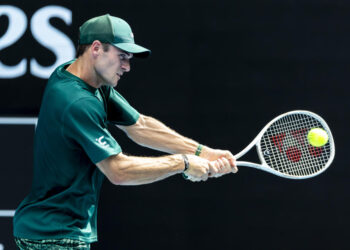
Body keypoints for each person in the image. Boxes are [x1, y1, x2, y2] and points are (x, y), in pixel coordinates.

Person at [13, 14, 238, 249]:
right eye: (122, 56)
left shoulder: (80, 77)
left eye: (129, 59)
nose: (127, 66)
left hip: (49, 230)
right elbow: (118, 171)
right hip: (55, 236)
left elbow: (140, 126)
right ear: (97, 48)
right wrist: (183, 163)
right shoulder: (77, 101)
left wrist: (203, 152)